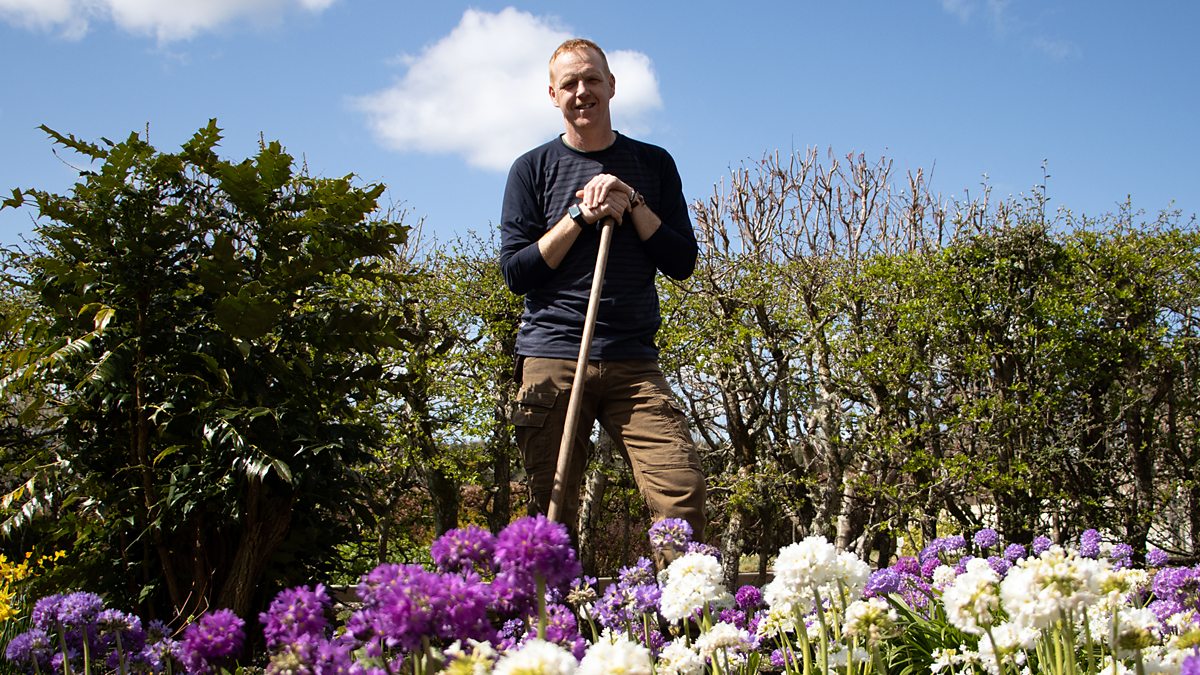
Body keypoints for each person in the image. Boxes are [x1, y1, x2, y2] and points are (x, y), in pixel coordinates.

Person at [499, 38, 707, 541]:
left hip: (632, 360)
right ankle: (557, 597)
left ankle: (685, 595)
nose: (582, 91)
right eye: (569, 83)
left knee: (680, 492)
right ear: (553, 95)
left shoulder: (653, 164)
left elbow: (682, 262)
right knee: (551, 509)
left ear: (611, 85)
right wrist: (579, 216)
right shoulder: (531, 169)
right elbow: (516, 273)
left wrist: (632, 202)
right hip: (553, 355)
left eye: (592, 79)